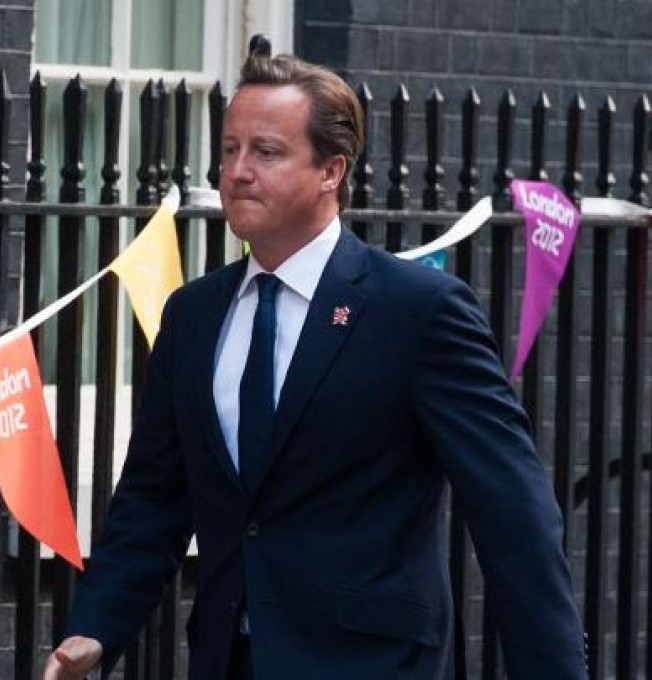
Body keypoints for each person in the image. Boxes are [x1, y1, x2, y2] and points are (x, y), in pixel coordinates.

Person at [44, 53, 586, 679]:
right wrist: (95, 628)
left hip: (374, 664)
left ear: (332, 170)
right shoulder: (192, 314)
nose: (238, 172)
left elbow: (512, 511)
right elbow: (153, 501)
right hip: (229, 661)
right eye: (228, 150)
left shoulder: (419, 311)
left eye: (266, 153)